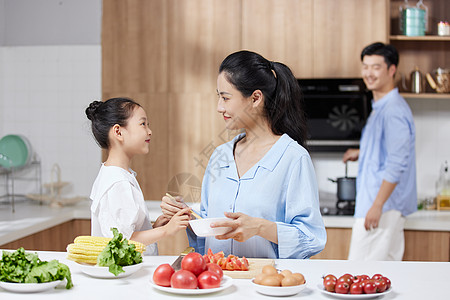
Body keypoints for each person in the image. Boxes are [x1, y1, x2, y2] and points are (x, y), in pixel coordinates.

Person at [161, 50, 326, 259]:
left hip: (266, 286)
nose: (219, 107)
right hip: (218, 283)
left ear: (256, 98)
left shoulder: (293, 158)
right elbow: (208, 225)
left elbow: (311, 237)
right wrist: (185, 214)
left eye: (225, 98)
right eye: (218, 97)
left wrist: (259, 227)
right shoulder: (220, 156)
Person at [85, 98, 190, 255]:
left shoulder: (117, 174)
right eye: (143, 124)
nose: (149, 131)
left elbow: (128, 234)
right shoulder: (118, 183)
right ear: (118, 132)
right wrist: (167, 230)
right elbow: (122, 242)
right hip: (125, 276)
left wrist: (154, 228)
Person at [343, 42, 417, 261]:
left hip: (380, 208)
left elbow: (396, 163)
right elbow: (389, 149)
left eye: (376, 67)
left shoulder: (392, 111)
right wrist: (362, 151)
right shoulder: (382, 107)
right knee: (384, 277)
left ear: (391, 69)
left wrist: (376, 206)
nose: (368, 73)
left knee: (359, 276)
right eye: (365, 67)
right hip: (382, 206)